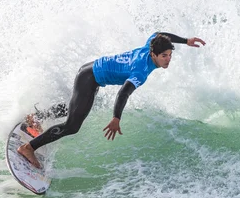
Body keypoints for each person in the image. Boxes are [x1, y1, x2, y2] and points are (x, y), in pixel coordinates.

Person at [18, 32, 206, 168]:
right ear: (153, 54)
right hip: (90, 77)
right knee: (72, 126)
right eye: (164, 56)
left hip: (90, 69)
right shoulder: (141, 71)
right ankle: (28, 148)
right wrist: (116, 117)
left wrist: (185, 41)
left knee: (75, 107)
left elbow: (160, 34)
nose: (168, 60)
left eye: (170, 55)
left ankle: (37, 117)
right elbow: (123, 93)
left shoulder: (151, 44)